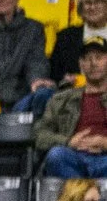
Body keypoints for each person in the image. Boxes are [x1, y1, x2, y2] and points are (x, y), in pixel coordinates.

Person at [38, 35, 107, 179]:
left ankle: (82, 197)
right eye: (87, 59)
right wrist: (68, 142)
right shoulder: (61, 99)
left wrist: (104, 142)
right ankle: (83, 196)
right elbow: (40, 135)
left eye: (99, 57)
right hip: (74, 158)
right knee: (56, 155)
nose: (93, 63)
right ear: (80, 64)